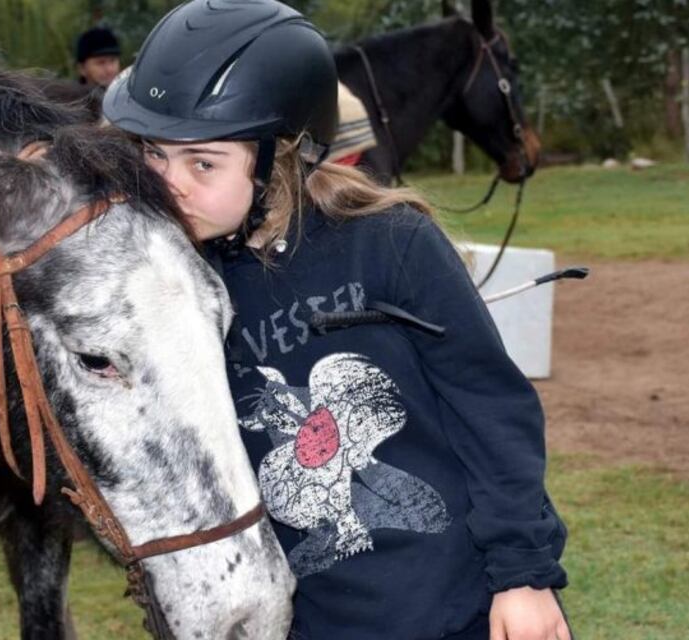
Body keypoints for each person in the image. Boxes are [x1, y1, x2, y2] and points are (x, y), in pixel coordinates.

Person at [103, 1, 571, 639]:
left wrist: (523, 577)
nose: (169, 183)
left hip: (464, 609)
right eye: (153, 156)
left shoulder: (392, 243)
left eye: (202, 162)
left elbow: (491, 410)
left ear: (280, 155)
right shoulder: (175, 293)